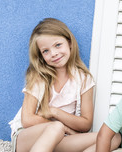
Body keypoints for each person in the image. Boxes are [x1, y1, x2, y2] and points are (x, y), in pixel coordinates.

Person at [9, 18, 99, 152]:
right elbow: (27, 120)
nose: (54, 53)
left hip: (63, 138)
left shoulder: (84, 79)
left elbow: (86, 124)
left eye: (58, 45)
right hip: (28, 137)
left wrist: (55, 112)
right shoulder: (39, 77)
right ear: (41, 56)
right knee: (56, 128)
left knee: (112, 137)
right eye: (46, 51)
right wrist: (62, 127)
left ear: (69, 42)